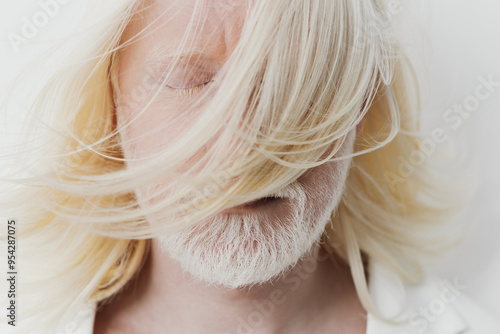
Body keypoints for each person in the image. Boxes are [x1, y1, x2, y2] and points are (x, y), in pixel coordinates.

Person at [1, 0, 499, 333]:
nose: (242, 150)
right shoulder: (16, 312)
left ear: (361, 106)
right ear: (111, 100)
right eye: (188, 82)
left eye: (293, 83)